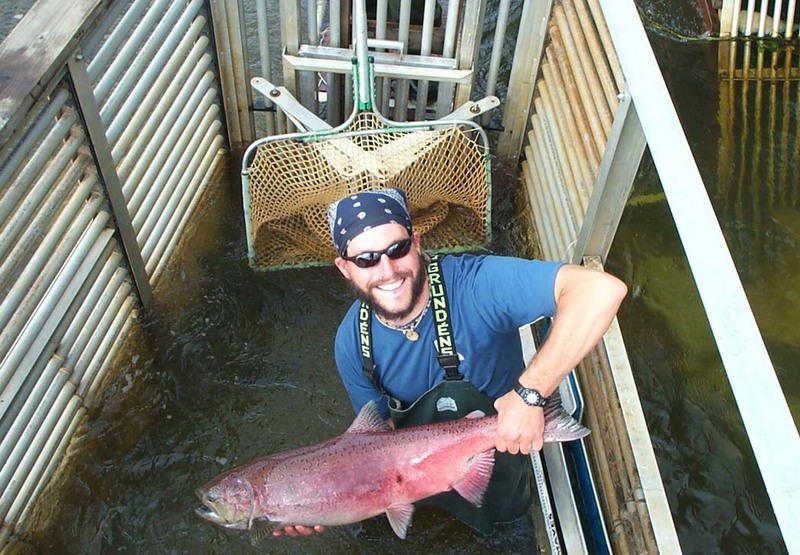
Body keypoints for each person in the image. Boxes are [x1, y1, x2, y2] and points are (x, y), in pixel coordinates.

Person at [275, 187, 627, 537]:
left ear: (416, 242)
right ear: (344, 268)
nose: (388, 271)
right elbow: (376, 436)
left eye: (397, 249)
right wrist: (319, 497)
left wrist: (530, 394)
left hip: (502, 448)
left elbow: (600, 291)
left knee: (506, 525)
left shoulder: (476, 285)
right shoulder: (352, 343)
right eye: (366, 259)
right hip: (413, 477)